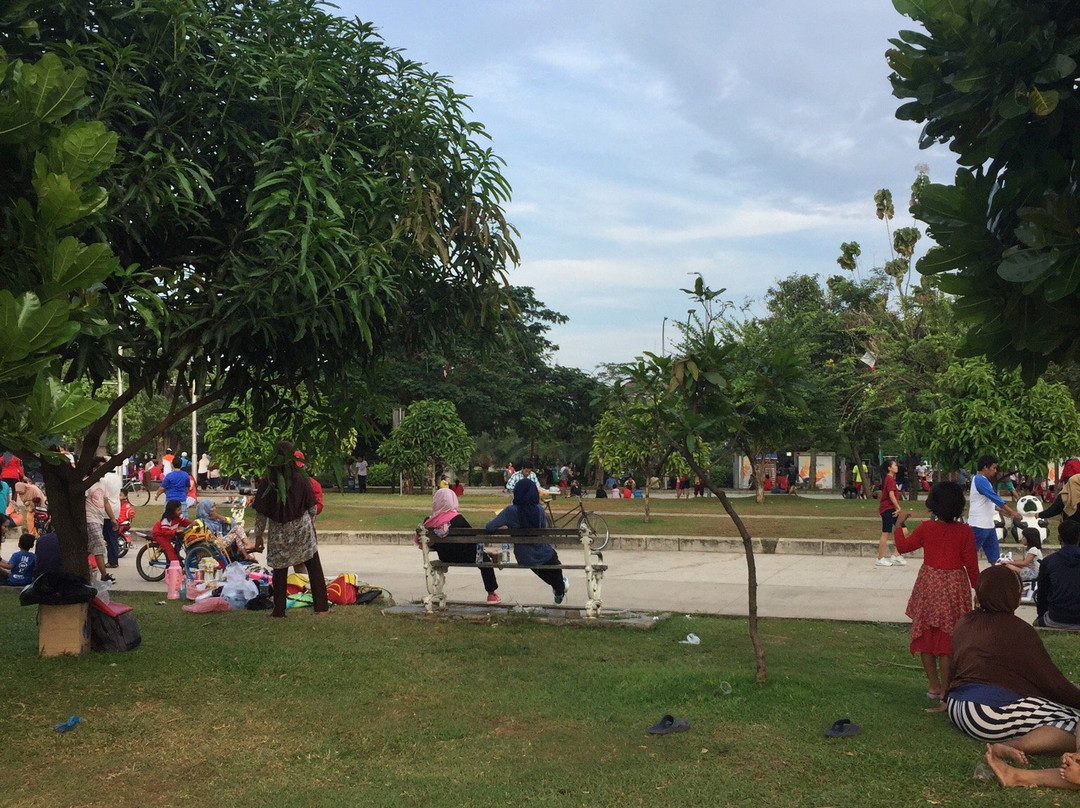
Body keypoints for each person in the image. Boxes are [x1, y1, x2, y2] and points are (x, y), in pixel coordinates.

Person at [948, 565, 1080, 788]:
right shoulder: (1018, 630)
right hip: (987, 712)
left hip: (957, 708)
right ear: (1012, 596)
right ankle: (1016, 745)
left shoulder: (966, 621)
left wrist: (945, 698)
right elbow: (1053, 684)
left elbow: (954, 666)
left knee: (1056, 713)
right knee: (1073, 722)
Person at [894, 481, 979, 706]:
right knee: (948, 640)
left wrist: (899, 525)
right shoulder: (965, 532)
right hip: (954, 586)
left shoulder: (926, 528)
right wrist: (979, 590)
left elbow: (903, 547)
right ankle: (947, 690)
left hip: (929, 584)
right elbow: (971, 565)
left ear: (933, 504)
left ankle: (934, 686)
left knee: (926, 635)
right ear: (959, 506)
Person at [252, 441, 329, 618]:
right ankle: (321, 607)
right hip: (302, 530)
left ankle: (279, 610)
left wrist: (258, 537)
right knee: (313, 567)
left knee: (280, 570)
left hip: (279, 532)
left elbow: (260, 514)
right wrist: (310, 525)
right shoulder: (301, 479)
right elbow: (312, 508)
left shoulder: (268, 482)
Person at [485, 478, 567, 604]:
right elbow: (542, 529)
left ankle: (559, 586)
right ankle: (559, 588)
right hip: (543, 553)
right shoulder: (539, 510)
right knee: (554, 566)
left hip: (523, 556)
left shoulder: (510, 511)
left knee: (542, 566)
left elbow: (490, 527)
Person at [422, 488, 500, 603]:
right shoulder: (457, 518)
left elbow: (428, 543)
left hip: (445, 557)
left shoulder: (429, 521)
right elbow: (472, 537)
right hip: (466, 556)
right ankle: (491, 594)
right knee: (484, 560)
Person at [968, 455, 1020, 564]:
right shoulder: (979, 479)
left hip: (988, 525)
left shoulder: (985, 481)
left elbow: (990, 503)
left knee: (995, 558)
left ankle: (996, 578)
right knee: (969, 555)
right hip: (978, 525)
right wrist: (1012, 512)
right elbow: (995, 498)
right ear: (985, 468)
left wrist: (1004, 511)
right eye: (994, 468)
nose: (995, 471)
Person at [1035, 520, 1080, 628]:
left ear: (1059, 538)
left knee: (1035, 625)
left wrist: (1041, 616)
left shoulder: (1048, 561)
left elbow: (1042, 595)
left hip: (1056, 618)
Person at [84, 457, 116, 582]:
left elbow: (106, 502)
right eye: (101, 468)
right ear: (94, 469)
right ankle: (104, 575)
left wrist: (112, 518)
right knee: (99, 545)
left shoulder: (102, 483)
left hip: (100, 519)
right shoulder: (86, 482)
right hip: (90, 518)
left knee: (89, 547)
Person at [875, 459, 907, 567]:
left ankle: (896, 555)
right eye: (894, 465)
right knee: (886, 533)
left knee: (903, 530)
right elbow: (891, 495)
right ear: (889, 468)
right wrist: (898, 507)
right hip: (888, 509)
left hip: (892, 509)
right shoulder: (889, 479)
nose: (896, 466)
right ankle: (880, 558)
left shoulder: (890, 479)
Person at [1039, 458, 1080, 526]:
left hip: (1070, 529)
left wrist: (1039, 515)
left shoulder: (1065, 496)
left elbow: (1054, 510)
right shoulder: (1077, 465)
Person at [151, 499, 191, 564]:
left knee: (181, 539)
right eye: (178, 510)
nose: (180, 511)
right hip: (160, 535)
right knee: (169, 549)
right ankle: (174, 564)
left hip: (170, 533)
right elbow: (165, 532)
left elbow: (186, 522)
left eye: (180, 509)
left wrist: (193, 525)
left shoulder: (179, 516)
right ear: (172, 511)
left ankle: (176, 554)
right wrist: (175, 531)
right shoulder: (166, 520)